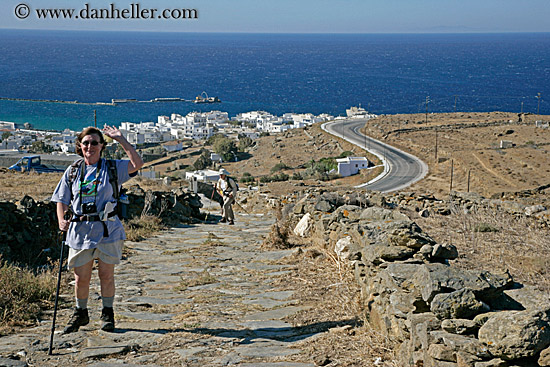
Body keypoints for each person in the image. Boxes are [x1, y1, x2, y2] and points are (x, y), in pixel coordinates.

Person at [51, 125, 144, 333]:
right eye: (86, 143)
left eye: (94, 142)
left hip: (107, 230)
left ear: (102, 146)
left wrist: (121, 139)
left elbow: (137, 164)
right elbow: (61, 199)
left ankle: (107, 313)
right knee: (80, 277)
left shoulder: (113, 168)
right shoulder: (73, 170)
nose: (90, 146)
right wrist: (60, 220)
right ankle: (80, 313)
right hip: (80, 231)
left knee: (106, 275)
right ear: (79, 146)